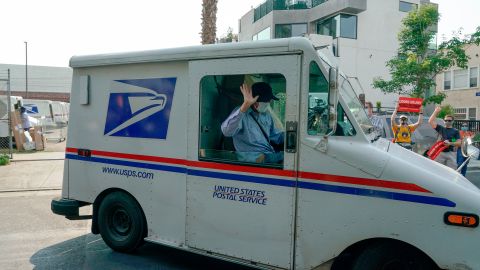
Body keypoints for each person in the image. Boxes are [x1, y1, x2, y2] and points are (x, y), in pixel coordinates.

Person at [221, 82, 284, 164]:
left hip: (268, 154)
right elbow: (226, 131)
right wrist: (244, 106)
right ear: (255, 102)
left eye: (269, 101)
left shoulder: (266, 116)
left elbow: (276, 137)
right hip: (253, 159)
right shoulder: (241, 114)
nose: (268, 104)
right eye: (265, 101)